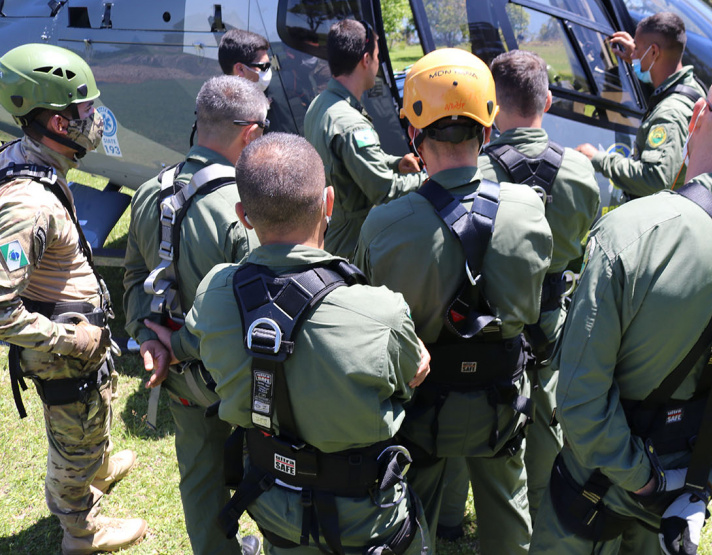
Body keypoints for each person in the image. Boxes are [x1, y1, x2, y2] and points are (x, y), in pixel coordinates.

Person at [530, 66, 712, 555]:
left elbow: (579, 393)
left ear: (697, 115)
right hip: (683, 496)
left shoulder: (627, 232)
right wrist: (700, 482)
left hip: (595, 486)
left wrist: (643, 477)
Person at [149, 132, 432, 554]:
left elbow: (187, 344)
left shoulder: (214, 294)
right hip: (368, 521)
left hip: (275, 508)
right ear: (329, 204)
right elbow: (415, 370)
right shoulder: (381, 312)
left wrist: (159, 343)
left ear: (243, 215)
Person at [354, 48, 553, 555]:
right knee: (508, 512)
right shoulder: (530, 210)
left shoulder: (385, 224)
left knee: (410, 513)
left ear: (412, 134)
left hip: (421, 404)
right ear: (487, 131)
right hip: (502, 401)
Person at [0, 43, 146, 554]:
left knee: (91, 418)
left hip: (77, 340)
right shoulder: (28, 206)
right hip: (63, 351)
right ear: (59, 124)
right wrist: (70, 336)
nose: (95, 118)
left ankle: (99, 465)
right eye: (85, 109)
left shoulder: (32, 160)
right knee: (70, 443)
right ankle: (81, 531)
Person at [122, 75, 266, 555]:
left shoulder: (148, 192)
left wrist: (148, 339)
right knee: (270, 465)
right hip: (240, 378)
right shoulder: (244, 211)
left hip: (179, 374)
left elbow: (135, 276)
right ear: (250, 135)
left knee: (199, 474)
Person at [478, 49, 601, 523]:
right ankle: (544, 505)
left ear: (491, 105)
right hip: (553, 319)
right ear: (547, 101)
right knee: (546, 411)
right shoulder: (580, 171)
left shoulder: (480, 171)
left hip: (493, 320)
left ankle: (452, 514)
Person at [303, 19, 424, 258]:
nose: (378, 62)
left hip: (331, 227)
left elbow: (349, 162)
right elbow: (385, 190)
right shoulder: (351, 125)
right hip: (353, 244)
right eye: (377, 56)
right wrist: (429, 179)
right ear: (365, 60)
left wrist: (395, 163)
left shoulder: (320, 104)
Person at [576, 12, 705, 199]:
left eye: (637, 48)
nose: (633, 53)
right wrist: (636, 59)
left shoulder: (670, 114)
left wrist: (599, 159)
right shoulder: (693, 89)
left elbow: (654, 180)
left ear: (653, 52)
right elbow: (663, 83)